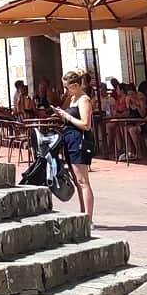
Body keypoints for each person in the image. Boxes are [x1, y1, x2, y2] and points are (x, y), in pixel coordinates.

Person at [49, 71, 95, 223]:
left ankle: (88, 218)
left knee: (83, 181)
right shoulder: (73, 98)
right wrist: (61, 114)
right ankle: (83, 213)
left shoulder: (84, 100)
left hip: (79, 140)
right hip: (69, 138)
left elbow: (86, 124)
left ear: (75, 85)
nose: (65, 91)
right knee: (77, 180)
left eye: (67, 87)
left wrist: (67, 116)